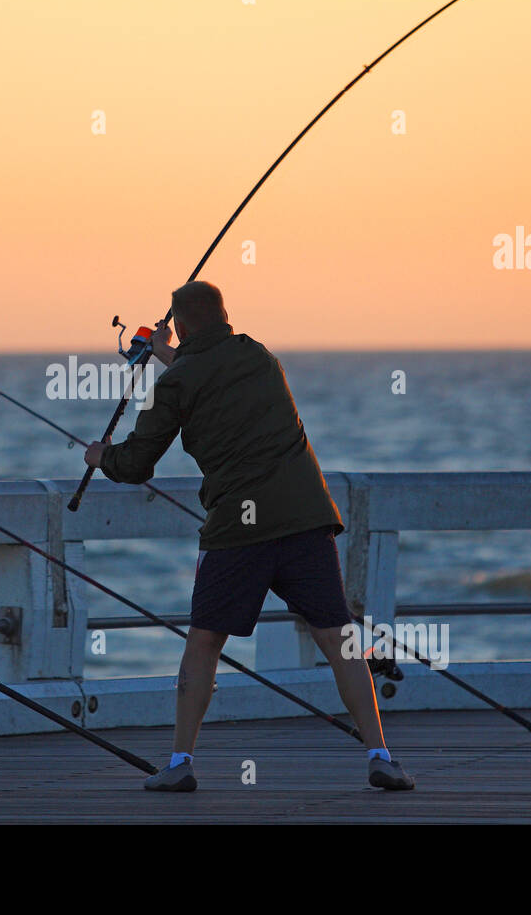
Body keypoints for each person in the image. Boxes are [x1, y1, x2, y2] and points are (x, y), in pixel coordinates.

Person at [84, 280, 414, 793]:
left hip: (240, 527)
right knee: (338, 637)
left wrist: (101, 456)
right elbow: (209, 370)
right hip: (305, 517)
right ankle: (381, 755)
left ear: (184, 325)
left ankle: (179, 763)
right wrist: (169, 351)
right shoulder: (259, 357)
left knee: (205, 642)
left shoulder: (175, 385)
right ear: (225, 316)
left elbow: (136, 463)